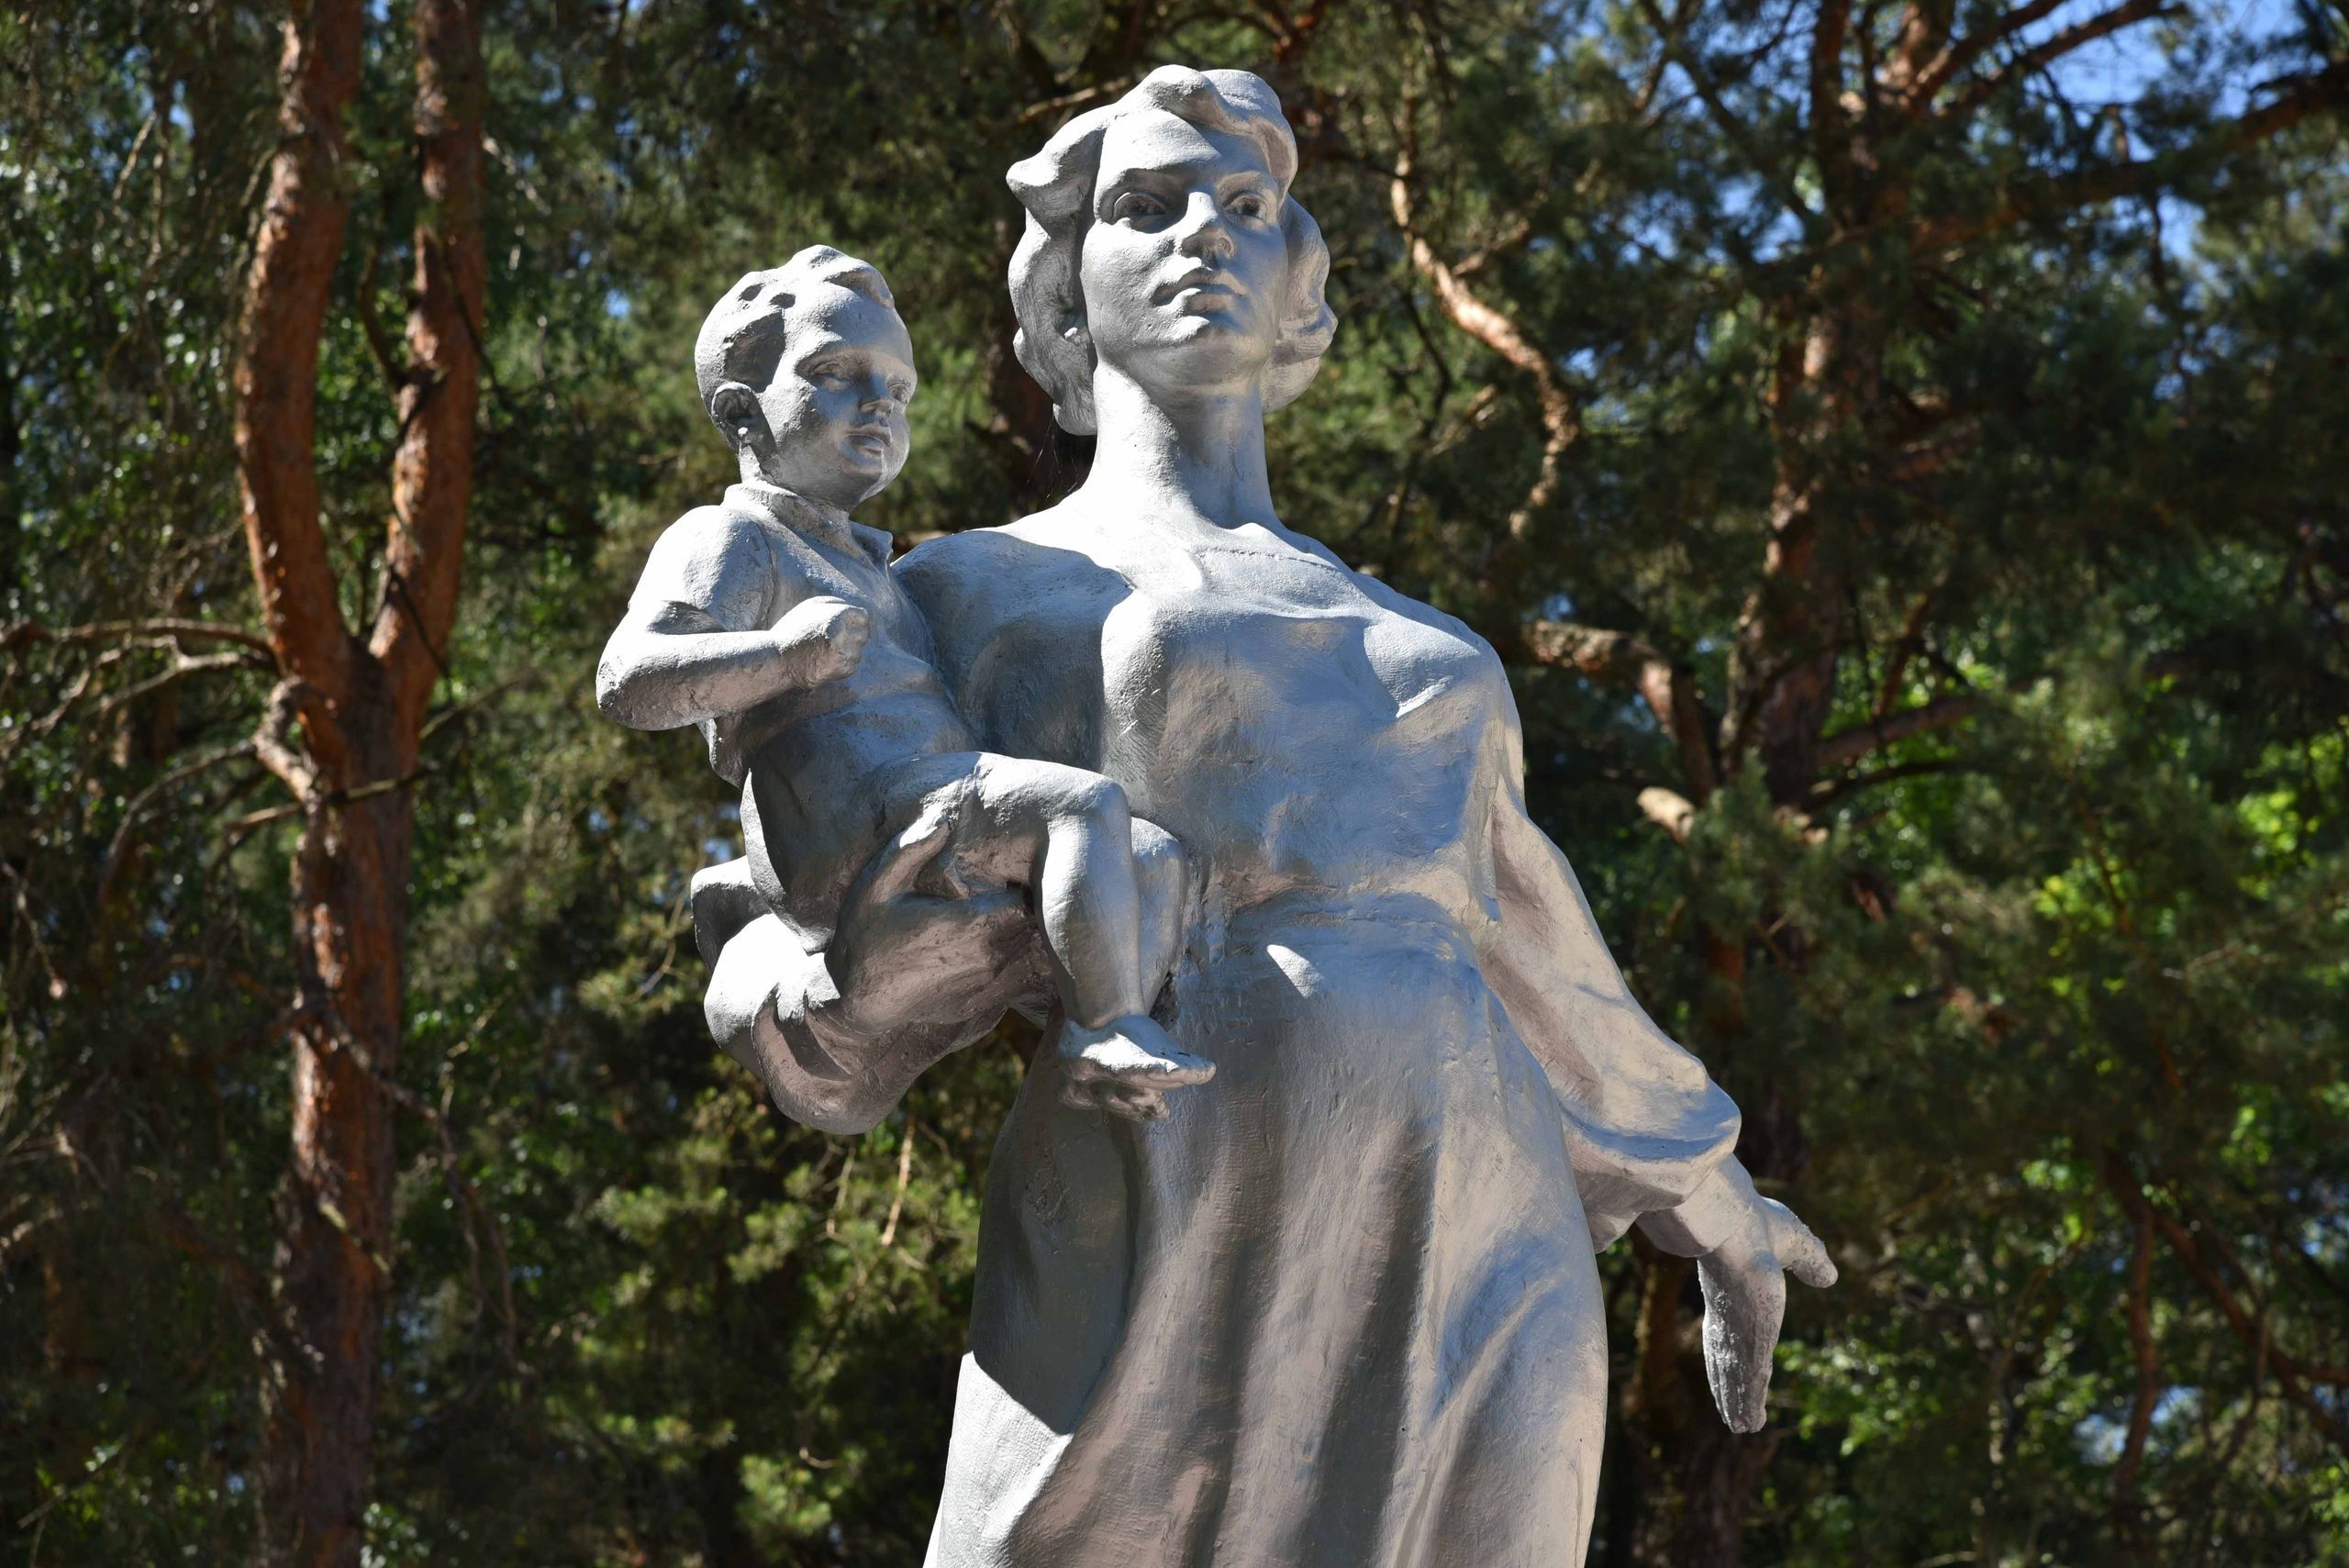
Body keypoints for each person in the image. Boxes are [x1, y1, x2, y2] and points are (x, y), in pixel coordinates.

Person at [719, 72, 1834, 1565]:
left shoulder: (1422, 636)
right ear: (1066, 285)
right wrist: (828, 968)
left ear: (1297, 270)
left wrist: (1713, 1191)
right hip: (1178, 1178)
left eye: (1245, 205)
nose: (1203, 233)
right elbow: (816, 898)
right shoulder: (959, 589)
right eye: (1146, 204)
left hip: (1481, 1201)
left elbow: (1530, 936)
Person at [595, 244, 1210, 1126]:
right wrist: (782, 657)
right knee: (1083, 807)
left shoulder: (875, 567)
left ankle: (1114, 1046)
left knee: (1150, 859)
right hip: (850, 825)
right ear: (741, 411)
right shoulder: (734, 539)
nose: (878, 402)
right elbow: (628, 680)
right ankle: (1103, 1032)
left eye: (898, 387)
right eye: (835, 374)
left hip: (921, 803)